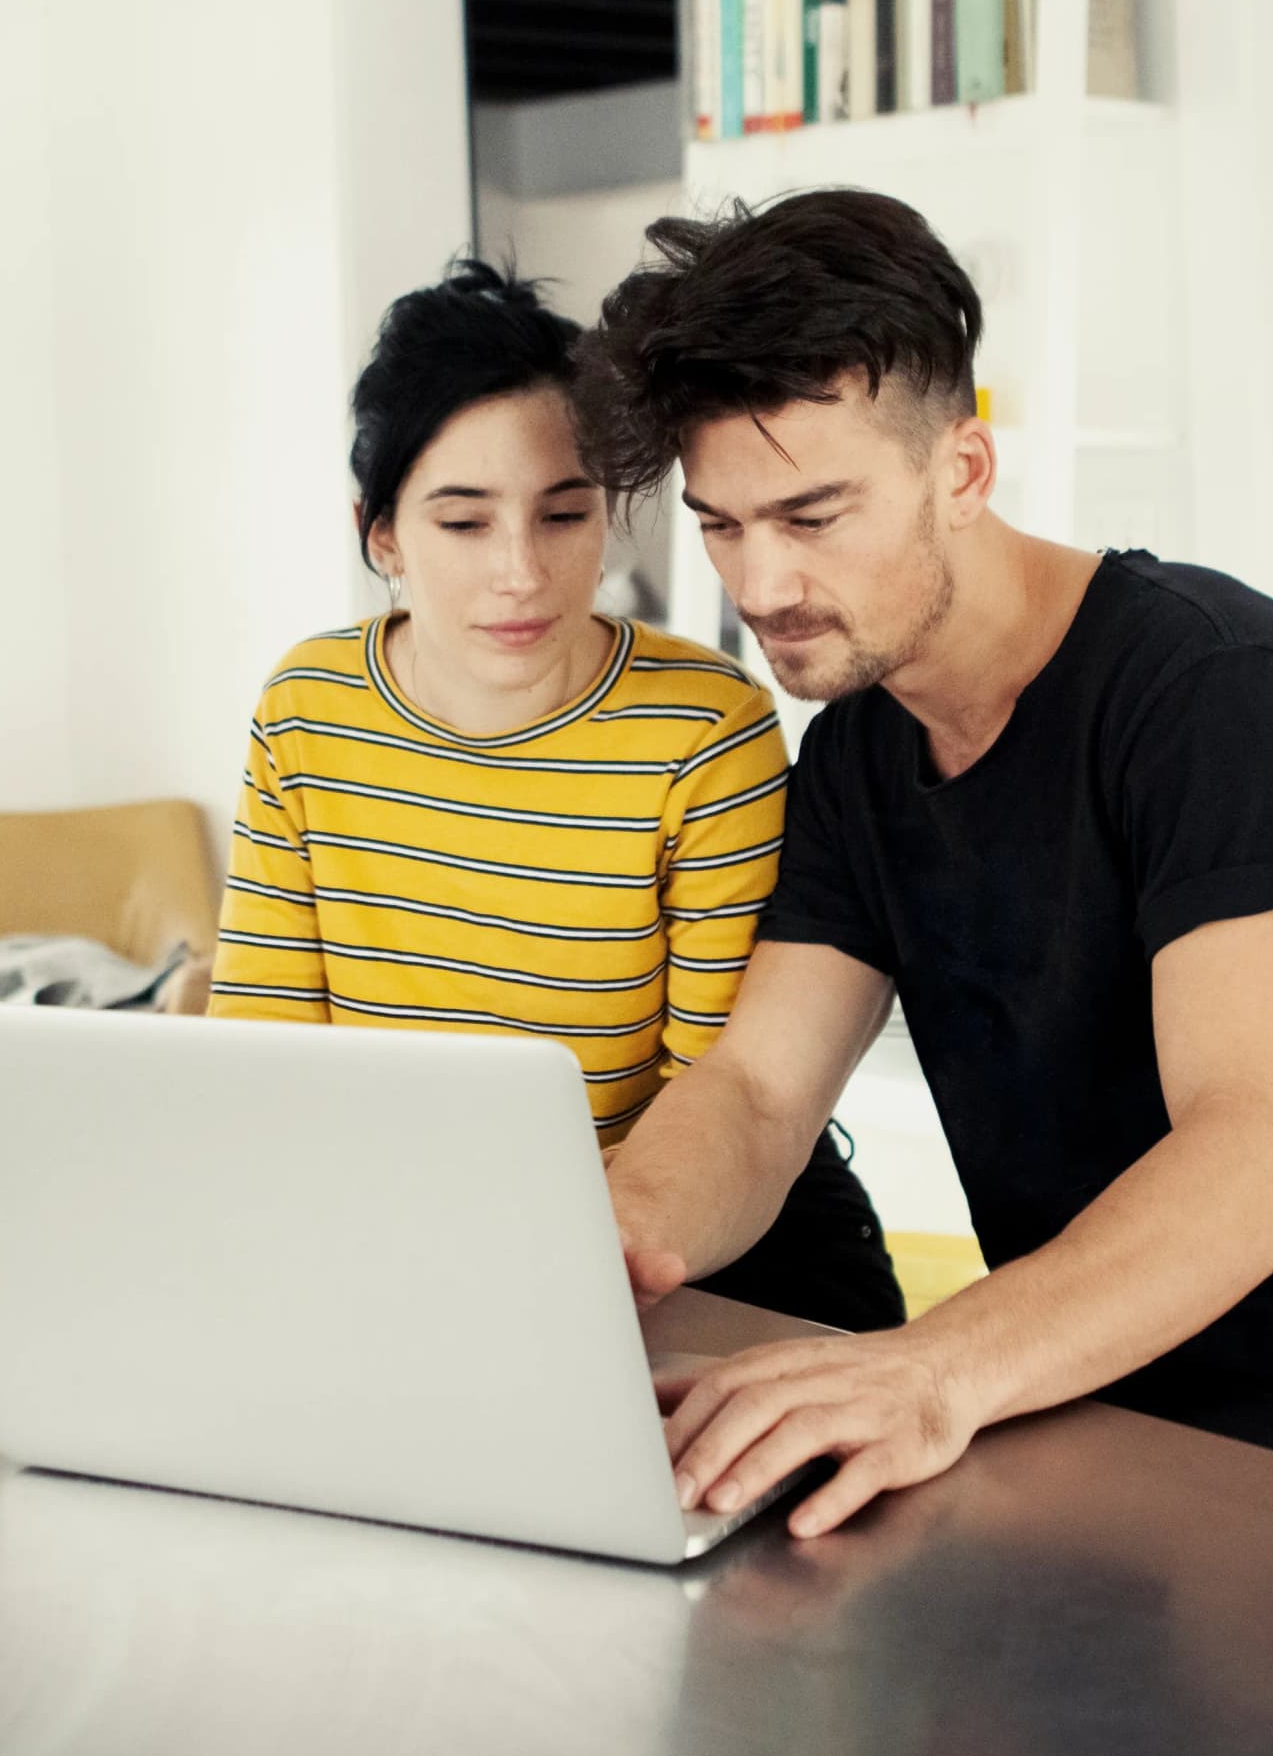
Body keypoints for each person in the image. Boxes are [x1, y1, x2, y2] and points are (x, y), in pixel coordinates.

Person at [581, 190, 1273, 1539]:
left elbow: (1262, 1151)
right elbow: (756, 1090)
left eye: (813, 517)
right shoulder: (866, 756)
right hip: (1083, 1418)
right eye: (723, 524)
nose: (759, 586)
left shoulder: (1224, 698)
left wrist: (933, 1369)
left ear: (964, 472)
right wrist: (601, 1254)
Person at [207, 260, 905, 1333]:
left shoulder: (703, 730)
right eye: (464, 522)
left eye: (564, 513)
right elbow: (263, 1055)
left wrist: (513, 1269)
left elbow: (704, 1107)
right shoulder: (310, 707)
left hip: (682, 1255)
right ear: (381, 532)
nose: (522, 572)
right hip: (402, 1253)